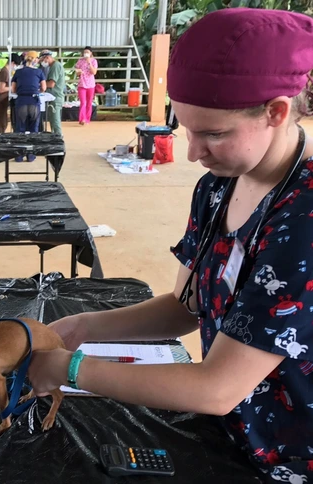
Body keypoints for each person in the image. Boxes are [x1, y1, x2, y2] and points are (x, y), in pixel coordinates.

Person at [28, 8, 313, 482]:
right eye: (186, 129)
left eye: (213, 134)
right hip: (229, 434)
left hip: (287, 459)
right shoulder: (219, 187)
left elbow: (218, 387)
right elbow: (188, 308)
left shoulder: (303, 218)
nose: (192, 153)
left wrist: (70, 369)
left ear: (276, 112)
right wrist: (82, 327)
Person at [11, 51, 46, 162]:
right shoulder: (39, 72)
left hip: (21, 101)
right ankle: (31, 155)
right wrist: (36, 90)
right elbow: (44, 88)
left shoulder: (18, 72)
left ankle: (19, 155)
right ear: (35, 60)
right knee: (33, 129)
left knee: (20, 129)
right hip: (34, 101)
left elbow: (13, 89)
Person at [0, 53, 22, 137]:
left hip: (3, 100)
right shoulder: (4, 72)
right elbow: (1, 89)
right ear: (12, 63)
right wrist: (12, 88)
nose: (16, 67)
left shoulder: (7, 71)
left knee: (4, 123)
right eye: (16, 65)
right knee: (1, 124)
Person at [39, 50, 65, 138]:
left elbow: (51, 84)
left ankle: (58, 139)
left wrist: (39, 85)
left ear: (47, 57)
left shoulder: (55, 66)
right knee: (53, 122)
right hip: (53, 97)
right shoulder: (52, 66)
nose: (42, 63)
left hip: (55, 97)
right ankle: (56, 139)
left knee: (55, 122)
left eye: (42, 60)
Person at [74, 46, 97, 126]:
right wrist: (78, 72)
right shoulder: (80, 61)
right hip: (82, 84)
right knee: (83, 102)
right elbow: (76, 71)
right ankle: (82, 119)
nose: (86, 54)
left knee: (89, 102)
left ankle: (87, 119)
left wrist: (89, 62)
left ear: (91, 53)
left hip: (91, 84)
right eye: (85, 52)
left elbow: (94, 72)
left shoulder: (94, 61)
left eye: (87, 52)